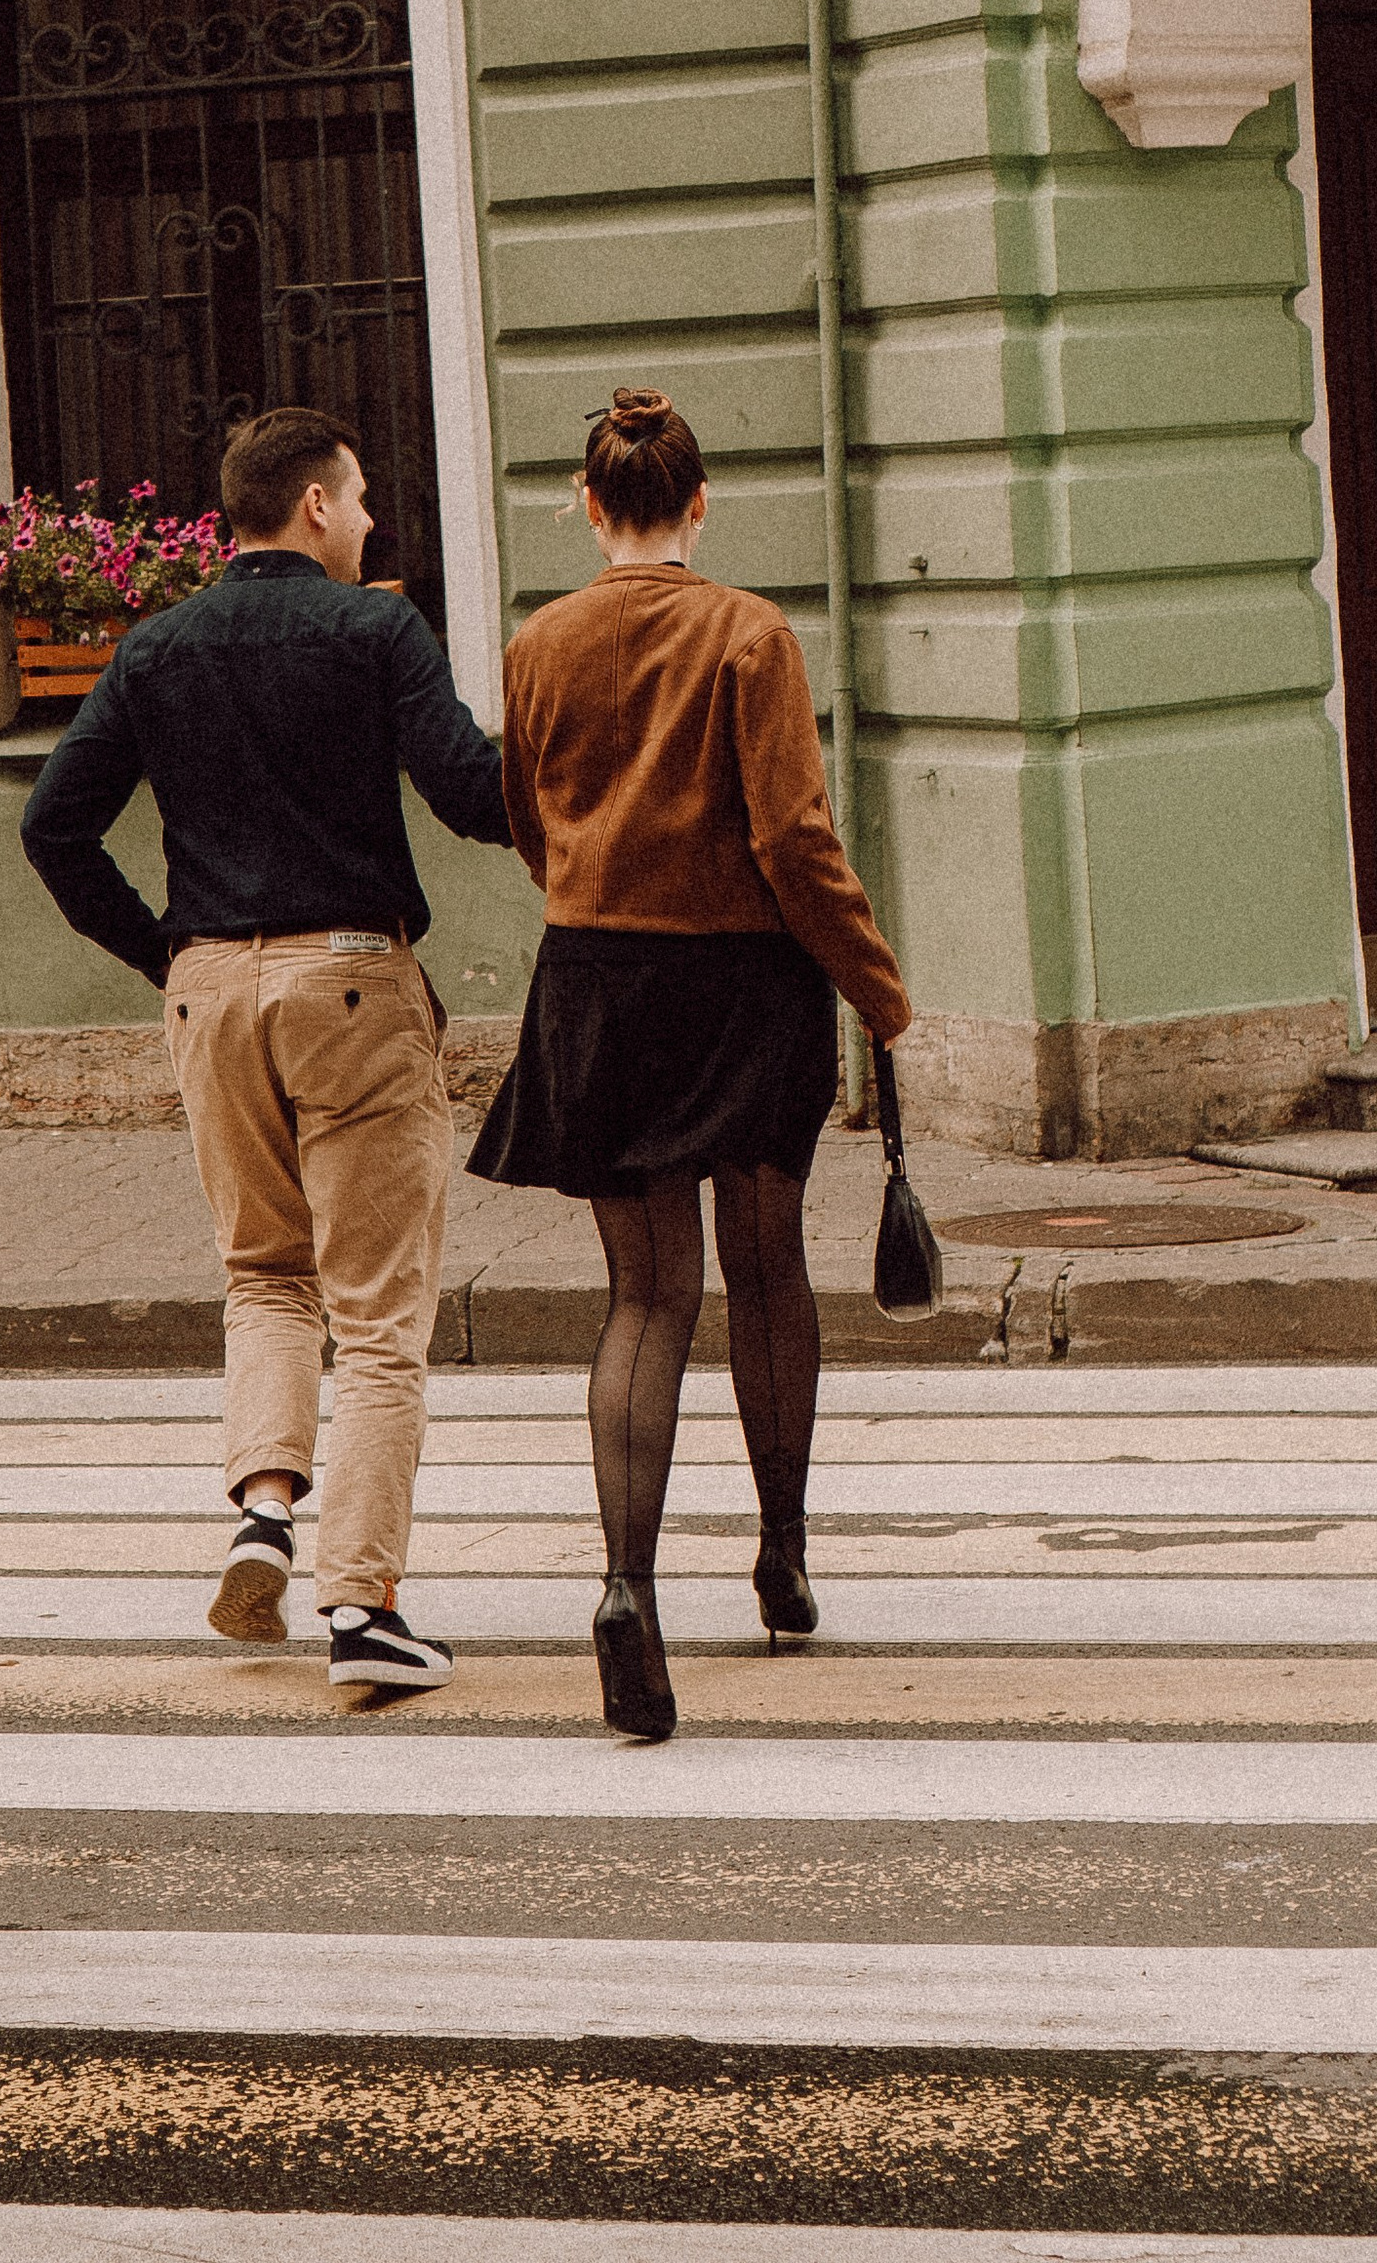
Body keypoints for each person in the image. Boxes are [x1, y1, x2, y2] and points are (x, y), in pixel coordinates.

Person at [19, 407, 513, 1697]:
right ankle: (363, 1606)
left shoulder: (155, 648)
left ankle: (263, 1512)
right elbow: (472, 796)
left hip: (211, 998)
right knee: (381, 1317)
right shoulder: (376, 631)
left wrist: (166, 955)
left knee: (265, 1277)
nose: (370, 522)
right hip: (349, 981)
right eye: (359, 499)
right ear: (313, 505)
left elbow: (54, 826)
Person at [469, 387, 913, 1743]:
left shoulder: (538, 642)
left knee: (648, 1296)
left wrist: (597, 896)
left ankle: (626, 1588)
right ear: (699, 502)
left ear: (589, 505)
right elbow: (792, 839)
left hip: (597, 981)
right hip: (743, 981)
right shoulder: (750, 634)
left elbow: (527, 818)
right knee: (766, 1269)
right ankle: (781, 1557)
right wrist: (875, 984)